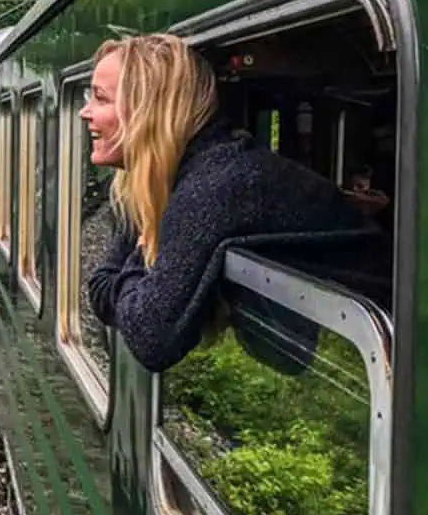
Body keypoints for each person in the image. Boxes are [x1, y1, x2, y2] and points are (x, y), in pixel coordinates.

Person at [80, 34, 387, 373]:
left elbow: (150, 337)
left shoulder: (215, 186)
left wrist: (138, 265)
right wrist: (138, 280)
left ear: (147, 110)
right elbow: (100, 285)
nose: (84, 112)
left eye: (100, 98)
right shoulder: (176, 177)